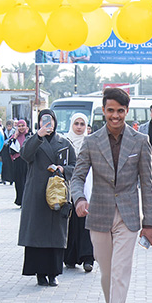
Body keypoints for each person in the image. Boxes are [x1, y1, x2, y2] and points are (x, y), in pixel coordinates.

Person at [69, 87, 152, 303]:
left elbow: (147, 184)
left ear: (126, 111)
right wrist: (79, 199)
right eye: (110, 110)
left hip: (128, 217)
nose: (115, 116)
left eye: (120, 111)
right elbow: (77, 177)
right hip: (98, 214)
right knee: (106, 273)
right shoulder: (91, 141)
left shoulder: (140, 141)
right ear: (103, 111)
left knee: (120, 272)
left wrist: (150, 223)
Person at [18, 109, 74, 287]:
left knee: (55, 234)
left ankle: (53, 273)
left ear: (55, 122)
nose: (48, 123)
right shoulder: (33, 140)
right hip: (37, 193)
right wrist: (38, 136)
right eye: (43, 120)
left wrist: (63, 169)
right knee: (37, 234)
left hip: (58, 194)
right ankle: (39, 274)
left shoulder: (64, 142)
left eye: (50, 120)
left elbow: (76, 165)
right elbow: (25, 155)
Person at [63, 113, 95, 273]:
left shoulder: (91, 142)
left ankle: (88, 258)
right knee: (71, 223)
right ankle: (70, 257)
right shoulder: (64, 142)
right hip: (69, 187)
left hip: (87, 187)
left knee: (85, 222)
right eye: (76, 123)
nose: (79, 127)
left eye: (82, 124)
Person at [0, 119, 31, 206]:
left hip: (27, 161)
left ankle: (27, 201)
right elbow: (9, 147)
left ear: (26, 126)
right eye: (19, 126)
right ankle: (20, 200)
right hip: (17, 161)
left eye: (23, 126)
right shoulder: (14, 136)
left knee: (27, 181)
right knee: (19, 181)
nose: (21, 128)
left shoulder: (29, 135)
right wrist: (15, 137)